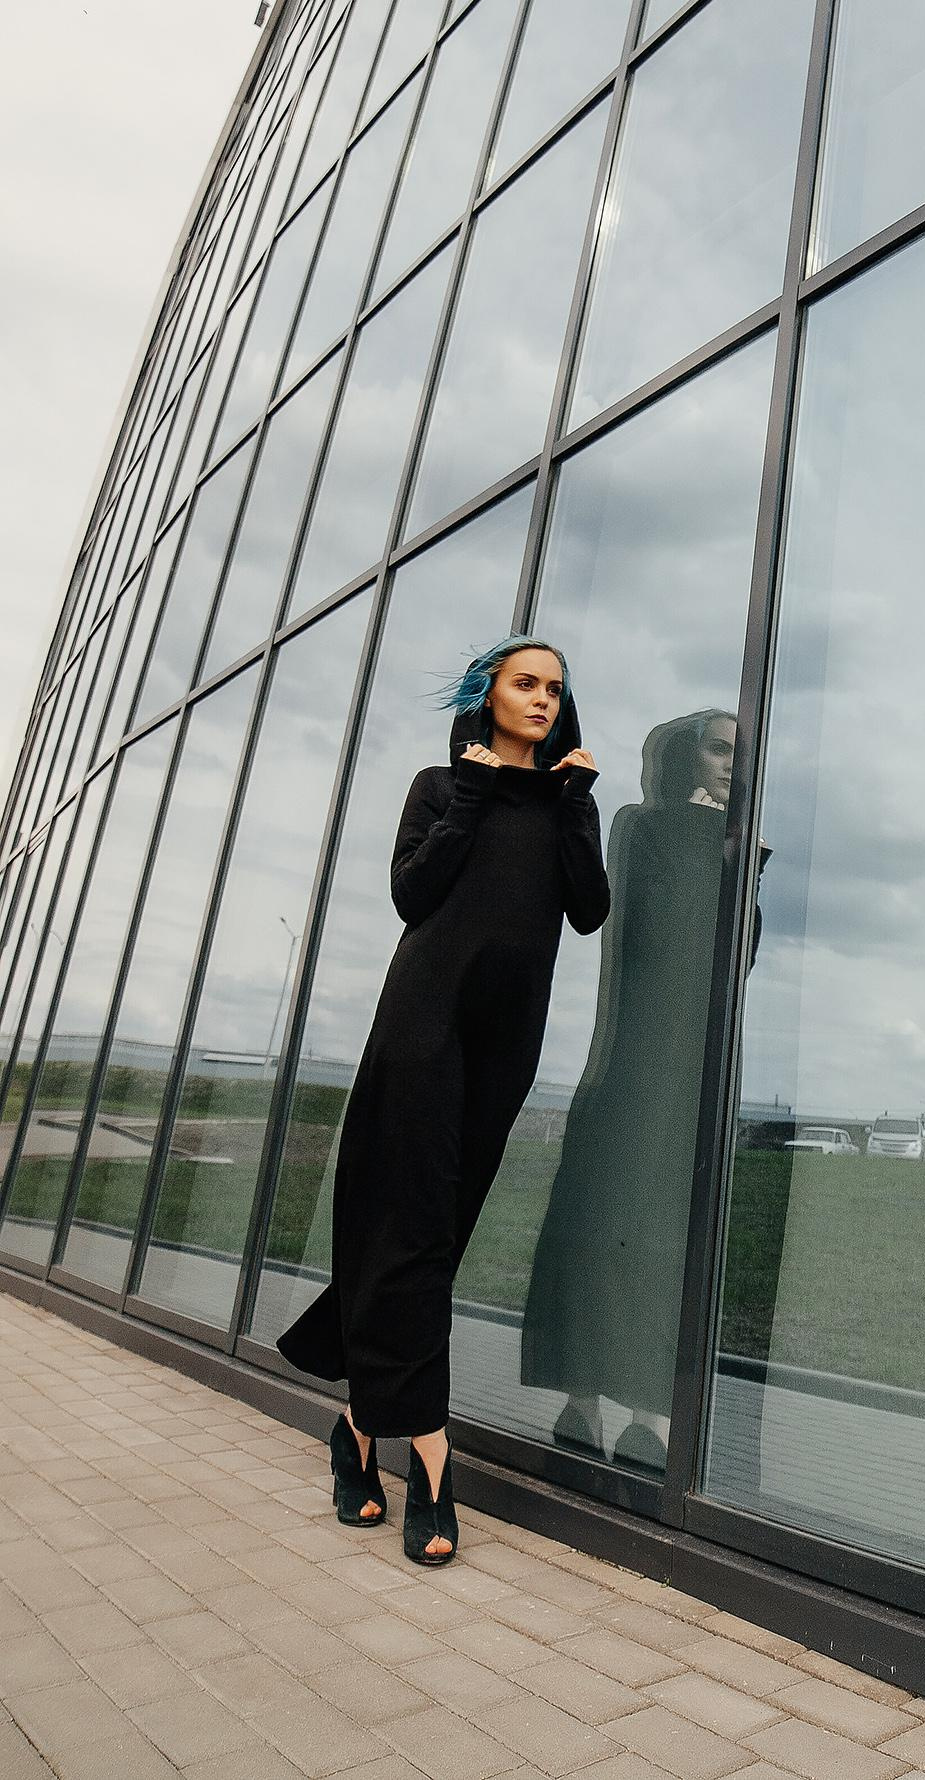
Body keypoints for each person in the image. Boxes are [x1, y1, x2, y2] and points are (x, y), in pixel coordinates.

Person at [277, 635, 609, 1564]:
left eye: (555, 688)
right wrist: (471, 791)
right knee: (414, 1230)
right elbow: (412, 894)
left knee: (430, 1235)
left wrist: (576, 804)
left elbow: (589, 909)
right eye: (526, 684)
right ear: (490, 694)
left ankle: (353, 1424)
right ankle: (429, 1455)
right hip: (421, 1027)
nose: (543, 699)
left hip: (506, 1045)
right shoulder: (439, 784)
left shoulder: (568, 801)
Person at [520, 709, 767, 1472]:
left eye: (740, 753)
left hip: (693, 1065)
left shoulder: (728, 842)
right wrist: (705, 846)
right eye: (718, 749)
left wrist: (738, 865)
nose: (731, 763)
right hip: (631, 1060)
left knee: (665, 1230)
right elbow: (650, 932)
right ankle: (582, 1398)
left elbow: (736, 959)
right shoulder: (642, 827)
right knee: (600, 1217)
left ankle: (650, 1413)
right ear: (683, 758)